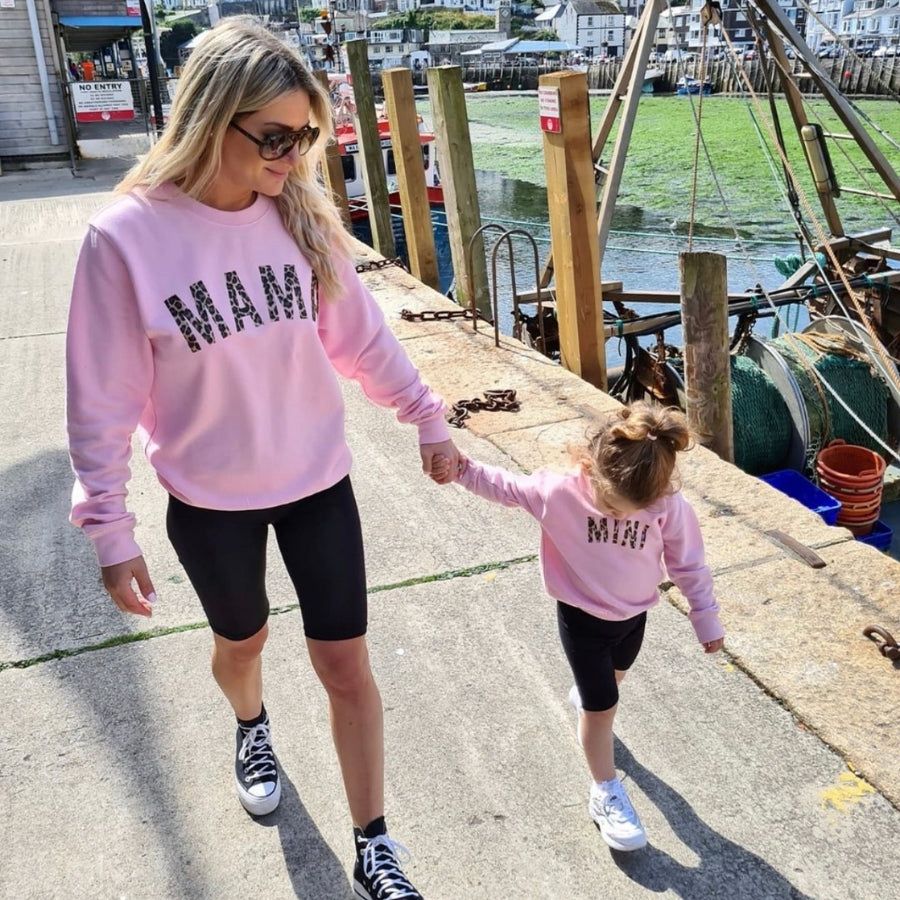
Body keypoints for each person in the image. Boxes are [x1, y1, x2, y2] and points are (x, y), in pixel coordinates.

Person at [65, 16, 458, 900]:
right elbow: (101, 400)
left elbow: (361, 339)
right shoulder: (125, 239)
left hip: (318, 482)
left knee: (345, 664)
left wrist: (426, 416)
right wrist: (108, 526)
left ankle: (375, 842)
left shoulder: (303, 217)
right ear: (212, 120)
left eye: (307, 135)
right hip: (209, 500)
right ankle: (250, 722)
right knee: (242, 643)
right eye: (275, 137)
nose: (293, 156)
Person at [439, 401, 724, 852]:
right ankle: (605, 790)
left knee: (616, 677)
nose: (620, 516)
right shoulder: (557, 491)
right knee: (601, 708)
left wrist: (704, 616)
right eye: (611, 503)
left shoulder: (666, 505)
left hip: (633, 617)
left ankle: (592, 698)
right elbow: (503, 486)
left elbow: (688, 564)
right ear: (588, 467)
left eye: (631, 510)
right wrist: (458, 468)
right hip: (581, 618)